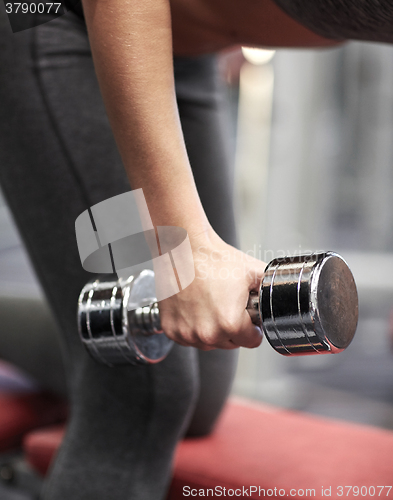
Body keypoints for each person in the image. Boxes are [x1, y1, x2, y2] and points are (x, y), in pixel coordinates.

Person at [0, 0, 390, 498]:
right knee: (141, 388)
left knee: (197, 386)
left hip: (181, 54)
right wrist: (188, 249)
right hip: (61, 19)